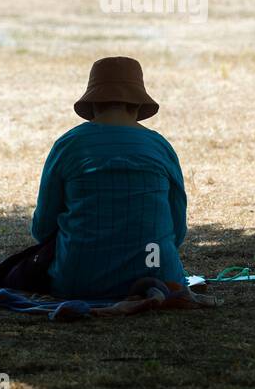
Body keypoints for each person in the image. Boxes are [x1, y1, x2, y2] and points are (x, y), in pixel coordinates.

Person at [27, 56, 188, 299]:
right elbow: (177, 229)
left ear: (92, 105)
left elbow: (43, 228)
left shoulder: (69, 145)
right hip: (157, 274)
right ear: (137, 106)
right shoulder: (160, 146)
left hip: (79, 281)